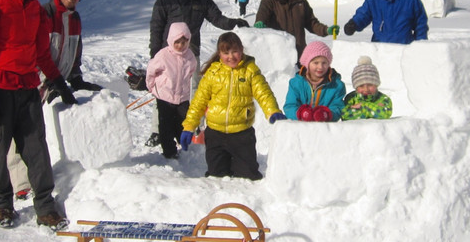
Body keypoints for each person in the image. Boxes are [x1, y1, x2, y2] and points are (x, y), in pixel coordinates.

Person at [0, 0, 74, 231]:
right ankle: (3, 205)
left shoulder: (36, 11)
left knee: (36, 149)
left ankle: (45, 207)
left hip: (27, 89)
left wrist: (57, 80)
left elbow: (41, 52)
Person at [8, 0, 102, 199]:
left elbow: (75, 51)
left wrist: (75, 76)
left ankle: (44, 175)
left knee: (40, 132)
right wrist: (48, 77)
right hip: (37, 78)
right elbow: (37, 49)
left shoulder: (75, 18)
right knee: (21, 127)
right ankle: (20, 182)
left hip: (57, 80)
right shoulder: (45, 13)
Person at [179, 32, 284, 180]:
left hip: (241, 134)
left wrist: (273, 111)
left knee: (248, 176)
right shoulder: (213, 73)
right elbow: (198, 102)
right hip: (215, 134)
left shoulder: (250, 70)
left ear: (241, 50)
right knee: (216, 175)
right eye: (226, 52)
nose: (231, 56)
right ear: (219, 54)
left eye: (235, 51)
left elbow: (263, 93)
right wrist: (189, 126)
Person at [149, 0, 247, 60]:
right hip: (169, 54)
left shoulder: (202, 0)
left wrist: (235, 23)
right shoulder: (164, 0)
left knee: (195, 76)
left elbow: (217, 19)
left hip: (192, 53)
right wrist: (155, 53)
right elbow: (156, 28)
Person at [254, 0, 338, 61]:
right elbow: (262, 17)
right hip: (279, 58)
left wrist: (326, 30)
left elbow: (311, 23)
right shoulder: (268, 2)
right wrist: (260, 22)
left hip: (300, 54)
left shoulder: (300, 1)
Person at [146, 22, 198, 159]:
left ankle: (186, 146)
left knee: (183, 122)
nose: (180, 46)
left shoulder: (190, 56)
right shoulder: (163, 55)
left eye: (184, 42)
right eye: (177, 42)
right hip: (165, 97)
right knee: (165, 126)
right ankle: (169, 152)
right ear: (171, 40)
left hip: (182, 97)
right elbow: (151, 71)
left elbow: (192, 70)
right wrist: (151, 86)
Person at [283, 41, 345, 121]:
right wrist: (300, 113)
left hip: (324, 129)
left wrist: (327, 114)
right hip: (299, 128)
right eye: (316, 63)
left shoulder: (336, 86)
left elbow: (338, 107)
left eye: (324, 63)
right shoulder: (296, 83)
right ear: (307, 64)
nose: (320, 67)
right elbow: (290, 106)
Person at [342, 56, 393, 121]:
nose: (366, 89)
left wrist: (363, 106)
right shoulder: (351, 98)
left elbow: (384, 114)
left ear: (376, 84)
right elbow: (345, 115)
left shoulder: (384, 99)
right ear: (356, 87)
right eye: (361, 86)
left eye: (370, 85)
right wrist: (374, 108)